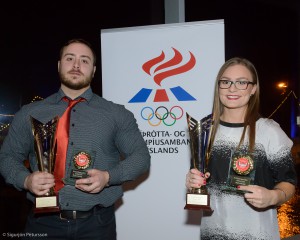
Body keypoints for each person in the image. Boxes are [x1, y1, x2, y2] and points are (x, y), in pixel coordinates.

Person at [0, 38, 151, 240]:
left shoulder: (116, 114)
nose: (77, 65)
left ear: (94, 70)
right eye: (70, 58)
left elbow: (141, 157)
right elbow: (7, 156)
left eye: (85, 60)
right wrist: (25, 180)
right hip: (42, 223)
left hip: (96, 225)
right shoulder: (30, 112)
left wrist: (108, 177)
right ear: (59, 65)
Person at [185, 57, 297, 240]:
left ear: (253, 89)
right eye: (226, 82)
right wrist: (193, 181)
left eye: (241, 82)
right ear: (218, 86)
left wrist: (273, 196)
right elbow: (201, 176)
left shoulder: (269, 131)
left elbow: (289, 183)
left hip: (257, 234)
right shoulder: (205, 129)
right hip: (212, 233)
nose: (232, 88)